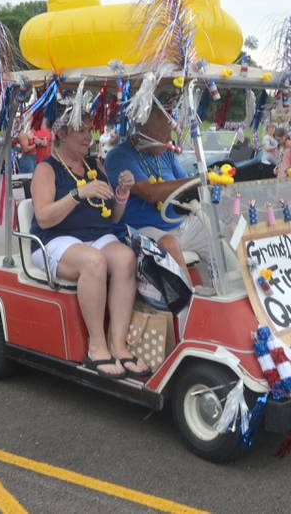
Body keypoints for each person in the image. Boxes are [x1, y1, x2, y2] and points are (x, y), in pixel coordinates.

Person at [31, 113, 148, 379]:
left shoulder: (96, 165)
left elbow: (114, 217)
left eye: (90, 130)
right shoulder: (47, 169)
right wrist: (78, 194)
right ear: (61, 134)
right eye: (81, 130)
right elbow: (43, 217)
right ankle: (97, 346)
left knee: (126, 258)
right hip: (54, 239)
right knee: (94, 261)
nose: (89, 136)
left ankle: (118, 343)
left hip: (95, 236)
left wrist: (122, 192)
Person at [105, 104, 211, 284]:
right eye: (164, 134)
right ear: (145, 132)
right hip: (140, 230)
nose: (169, 139)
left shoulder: (165, 154)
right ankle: (191, 303)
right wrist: (200, 178)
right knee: (169, 244)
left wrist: (206, 182)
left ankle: (237, 293)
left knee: (219, 232)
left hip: (178, 223)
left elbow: (185, 186)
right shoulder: (119, 156)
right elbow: (150, 193)